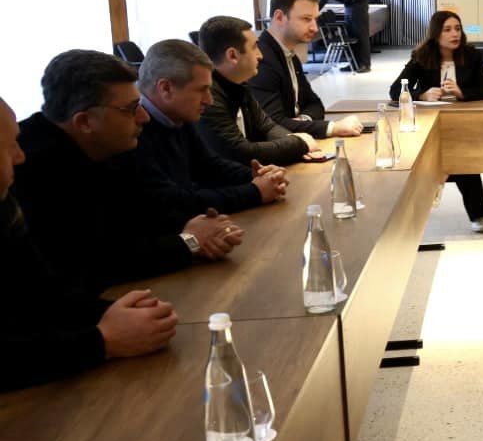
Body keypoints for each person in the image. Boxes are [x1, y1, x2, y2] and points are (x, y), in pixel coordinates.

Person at [12, 50, 243, 291]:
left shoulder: (111, 144)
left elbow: (152, 213)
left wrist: (203, 233)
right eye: (132, 108)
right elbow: (88, 264)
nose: (144, 117)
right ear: (85, 122)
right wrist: (190, 241)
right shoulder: (31, 167)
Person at [1, 95, 176, 393]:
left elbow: (45, 292)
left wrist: (121, 314)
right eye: (9, 147)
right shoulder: (41, 168)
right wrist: (103, 341)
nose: (20, 157)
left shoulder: (4, 207)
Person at [118, 39, 289, 225]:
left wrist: (257, 176)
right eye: (202, 90)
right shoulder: (130, 133)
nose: (209, 100)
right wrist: (255, 192)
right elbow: (174, 203)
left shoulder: (176, 115)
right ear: (166, 88)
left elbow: (208, 165)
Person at [390, 11, 483, 233]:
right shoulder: (422, 56)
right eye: (447, 30)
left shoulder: (472, 55)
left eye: (457, 29)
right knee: (426, 159)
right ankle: (413, 212)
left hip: (462, 124)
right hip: (430, 123)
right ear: (436, 34)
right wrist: (421, 94)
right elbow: (395, 90)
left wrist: (462, 92)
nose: (454, 34)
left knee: (462, 158)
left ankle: (478, 214)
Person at [197, 15, 319, 167]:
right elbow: (241, 152)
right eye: (254, 47)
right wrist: (298, 144)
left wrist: (292, 139)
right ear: (232, 55)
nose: (260, 55)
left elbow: (267, 126)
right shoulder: (207, 97)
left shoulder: (238, 84)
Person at [249, 0, 364, 139]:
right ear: (279, 17)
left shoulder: (290, 56)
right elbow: (272, 125)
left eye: (315, 19)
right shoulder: (261, 60)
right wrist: (332, 128)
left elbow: (315, 104)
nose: (314, 28)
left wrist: (302, 120)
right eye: (306, 19)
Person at [310, 0, 372, 72]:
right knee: (352, 35)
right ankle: (354, 64)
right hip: (350, 6)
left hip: (357, 5)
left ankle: (365, 64)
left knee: (360, 35)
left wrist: (313, 13)